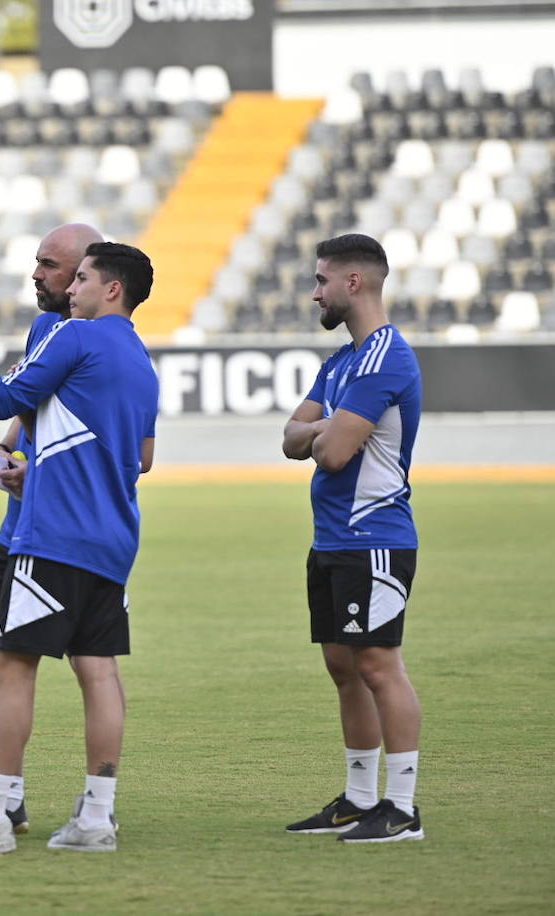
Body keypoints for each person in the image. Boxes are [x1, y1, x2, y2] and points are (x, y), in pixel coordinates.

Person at [0, 242, 159, 855]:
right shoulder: (143, 364)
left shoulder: (76, 337)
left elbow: (3, 400)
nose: (70, 290)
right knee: (98, 671)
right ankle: (96, 819)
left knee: (11, 664)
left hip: (53, 536)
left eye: (83, 280)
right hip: (114, 539)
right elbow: (140, 458)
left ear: (112, 290)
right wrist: (45, 464)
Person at [0, 223, 103, 838]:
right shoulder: (43, 328)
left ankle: (32, 801)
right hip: (18, 526)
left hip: (60, 529)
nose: (39, 274)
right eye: (39, 262)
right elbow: (26, 409)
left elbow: (125, 449)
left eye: (54, 266)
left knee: (78, 663)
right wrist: (7, 452)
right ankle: (11, 794)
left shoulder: (94, 342)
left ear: (90, 275)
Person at [281, 233, 425, 843]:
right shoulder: (339, 362)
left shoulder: (385, 358)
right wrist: (323, 432)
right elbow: (291, 438)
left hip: (375, 539)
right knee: (343, 664)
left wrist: (325, 431)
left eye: (321, 281)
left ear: (354, 283)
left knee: (377, 663)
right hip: (334, 540)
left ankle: (403, 806)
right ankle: (361, 799)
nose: (315, 293)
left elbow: (333, 452)